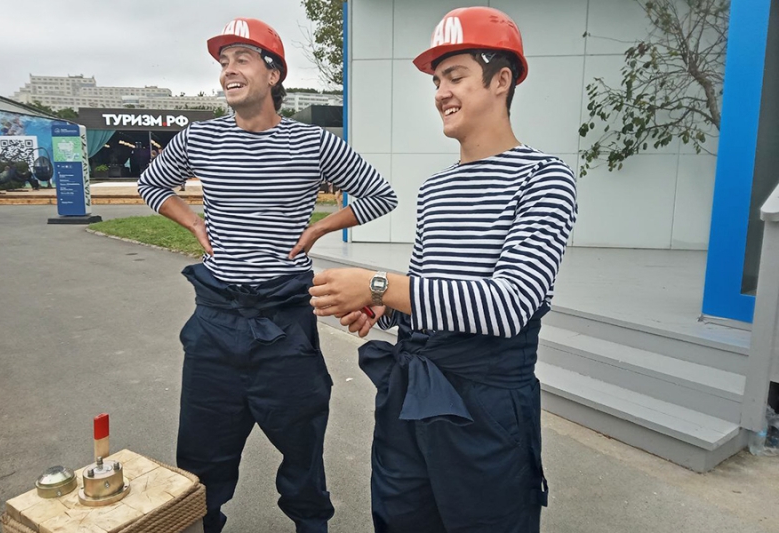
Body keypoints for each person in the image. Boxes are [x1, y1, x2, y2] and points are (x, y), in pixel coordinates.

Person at [309, 7, 578, 532]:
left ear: (501, 80)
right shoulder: (436, 187)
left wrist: (379, 283)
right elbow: (427, 295)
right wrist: (382, 308)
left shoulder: (546, 179)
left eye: (455, 76)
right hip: (412, 397)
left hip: (487, 407)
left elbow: (508, 306)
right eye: (437, 81)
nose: (440, 93)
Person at [137, 16, 397, 533]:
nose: (228, 71)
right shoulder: (201, 139)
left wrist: (320, 228)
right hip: (215, 325)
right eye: (223, 62)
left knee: (303, 463)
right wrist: (192, 222)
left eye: (242, 59)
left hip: (285, 328)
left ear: (273, 73)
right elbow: (152, 183)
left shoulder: (313, 143)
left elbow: (379, 195)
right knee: (200, 467)